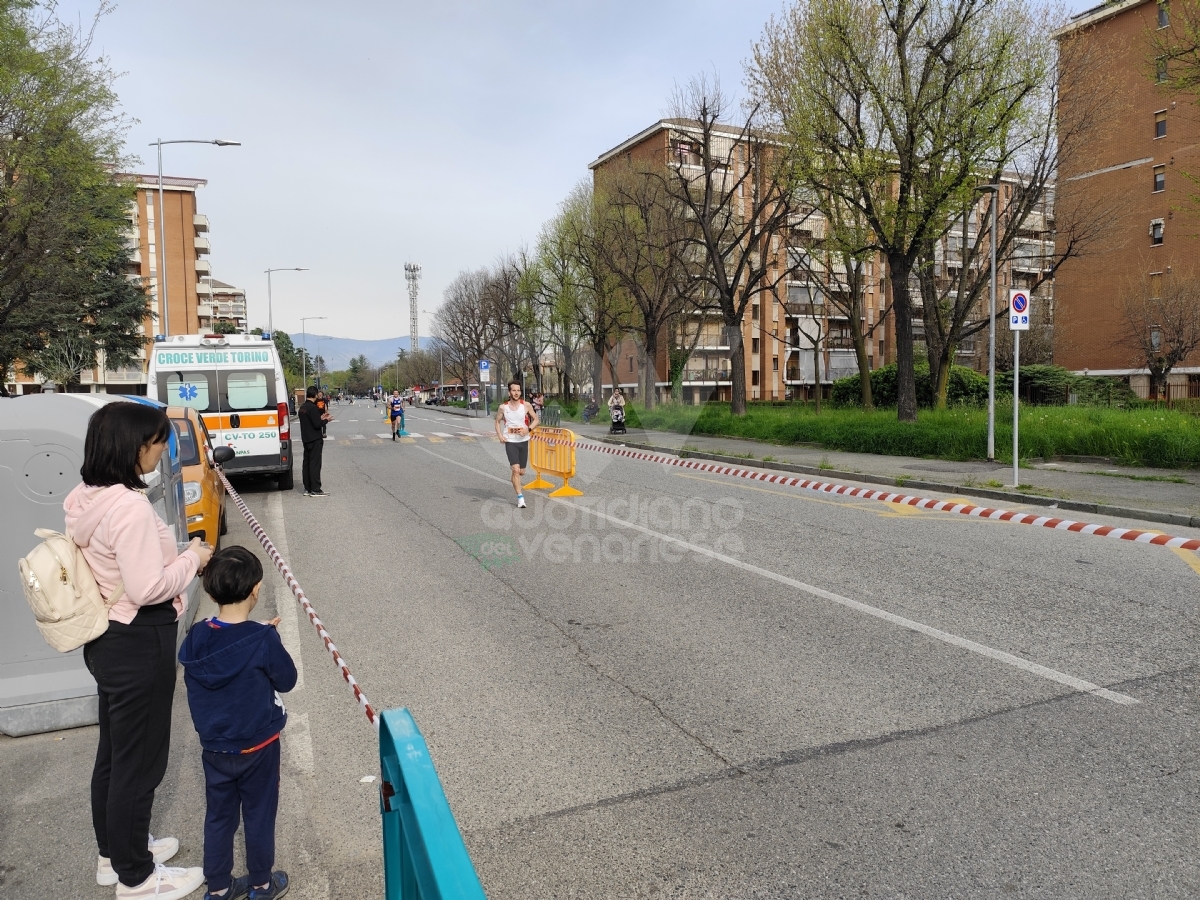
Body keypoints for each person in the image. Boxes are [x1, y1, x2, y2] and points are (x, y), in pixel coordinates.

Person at [64, 401, 214, 900]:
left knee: (114, 753)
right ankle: (137, 877)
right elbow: (148, 586)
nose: (160, 451)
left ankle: (116, 853)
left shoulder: (87, 496)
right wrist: (194, 557)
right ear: (133, 447)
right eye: (156, 442)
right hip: (138, 638)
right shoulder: (127, 507)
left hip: (106, 636)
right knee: (140, 762)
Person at [179, 546, 297, 900]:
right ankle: (261, 884)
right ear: (256, 590)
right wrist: (265, 637)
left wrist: (257, 633)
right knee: (259, 814)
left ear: (211, 592)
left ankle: (217, 888)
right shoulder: (262, 640)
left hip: (215, 747)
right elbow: (287, 679)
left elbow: (226, 640)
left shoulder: (198, 636)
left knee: (219, 817)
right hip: (258, 746)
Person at [494, 380, 538, 508]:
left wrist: (528, 429)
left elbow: (536, 419)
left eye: (518, 390)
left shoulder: (526, 405)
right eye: (514, 390)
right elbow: (497, 422)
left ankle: (515, 476)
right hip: (510, 442)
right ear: (509, 392)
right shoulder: (503, 407)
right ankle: (520, 498)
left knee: (521, 472)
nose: (516, 393)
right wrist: (500, 436)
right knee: (516, 469)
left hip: (523, 441)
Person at [298, 387, 331, 497]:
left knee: (306, 463)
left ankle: (307, 488)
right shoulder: (313, 408)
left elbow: (311, 421)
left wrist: (320, 417)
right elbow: (317, 425)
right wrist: (326, 420)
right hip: (315, 439)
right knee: (315, 464)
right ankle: (316, 489)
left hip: (306, 438)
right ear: (315, 395)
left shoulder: (302, 408)